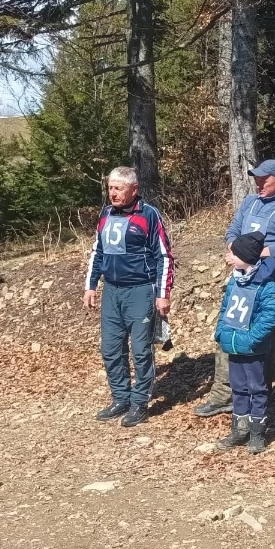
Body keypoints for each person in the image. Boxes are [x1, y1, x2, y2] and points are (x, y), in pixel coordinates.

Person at [194, 160, 275, 418]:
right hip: (240, 279)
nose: (258, 183)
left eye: (264, 179)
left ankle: (258, 397)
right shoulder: (249, 203)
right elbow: (232, 231)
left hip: (269, 281)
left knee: (262, 337)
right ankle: (223, 394)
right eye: (256, 178)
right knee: (229, 330)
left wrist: (248, 256)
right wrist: (234, 249)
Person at [84, 166, 175, 428]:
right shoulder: (106, 214)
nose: (112, 193)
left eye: (118, 188)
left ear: (133, 190)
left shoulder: (149, 215)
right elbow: (97, 252)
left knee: (140, 351)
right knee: (110, 349)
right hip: (112, 291)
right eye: (110, 188)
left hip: (140, 291)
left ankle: (139, 403)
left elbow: (164, 256)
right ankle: (120, 398)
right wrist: (90, 286)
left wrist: (162, 294)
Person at [213, 232, 275, 454]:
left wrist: (252, 338)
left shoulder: (266, 285)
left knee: (257, 388)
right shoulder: (235, 281)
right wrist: (220, 332)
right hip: (233, 345)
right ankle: (239, 429)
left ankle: (257, 433)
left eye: (234, 253)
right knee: (238, 388)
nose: (230, 256)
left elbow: (272, 314)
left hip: (253, 348)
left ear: (247, 257)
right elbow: (225, 309)